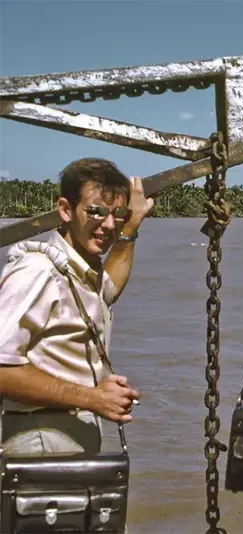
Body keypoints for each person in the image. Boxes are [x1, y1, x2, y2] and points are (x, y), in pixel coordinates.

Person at [0, 157, 153, 456]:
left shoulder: (78, 271)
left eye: (117, 214)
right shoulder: (37, 270)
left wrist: (131, 226)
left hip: (65, 432)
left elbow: (109, 288)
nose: (108, 225)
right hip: (40, 437)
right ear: (66, 210)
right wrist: (93, 398)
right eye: (95, 212)